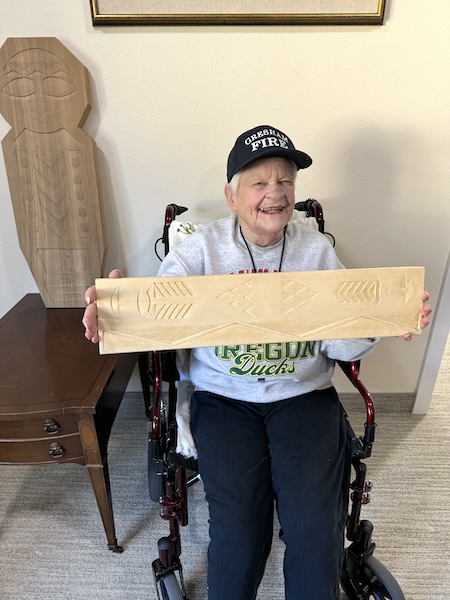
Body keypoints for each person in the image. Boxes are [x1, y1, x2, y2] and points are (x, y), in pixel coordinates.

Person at [83, 125, 431, 600]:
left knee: (313, 528)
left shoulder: (315, 250)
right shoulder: (199, 251)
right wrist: (118, 311)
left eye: (286, 181)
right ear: (231, 196)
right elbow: (156, 325)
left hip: (303, 395)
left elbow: (345, 346)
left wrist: (381, 320)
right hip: (224, 399)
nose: (276, 193)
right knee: (240, 530)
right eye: (260, 182)